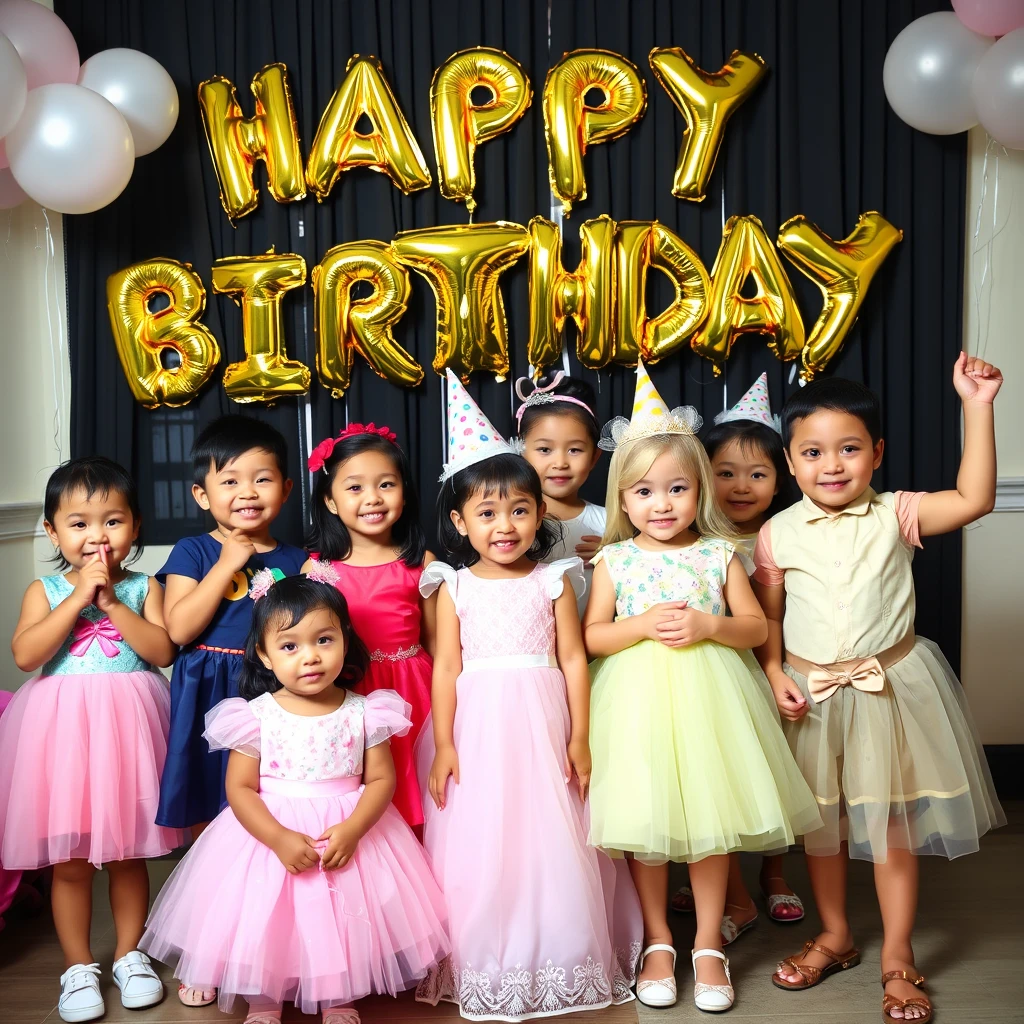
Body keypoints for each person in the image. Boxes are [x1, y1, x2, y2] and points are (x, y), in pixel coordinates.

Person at [759, 354, 1006, 1024]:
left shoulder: (897, 514)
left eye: (849, 449)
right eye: (812, 452)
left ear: (877, 453)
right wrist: (776, 670)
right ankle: (835, 934)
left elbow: (977, 499)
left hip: (888, 692)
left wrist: (977, 406)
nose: (831, 465)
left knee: (890, 827)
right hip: (811, 697)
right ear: (789, 460)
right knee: (824, 829)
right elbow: (771, 621)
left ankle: (898, 954)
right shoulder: (774, 534)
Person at [584, 362, 820, 1013]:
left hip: (711, 702)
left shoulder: (718, 554)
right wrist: (637, 624)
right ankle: (660, 939)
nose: (661, 505)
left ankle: (709, 941)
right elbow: (591, 638)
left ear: (701, 491)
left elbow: (751, 628)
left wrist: (708, 623)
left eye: (677, 489)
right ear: (623, 499)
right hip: (632, 707)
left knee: (711, 829)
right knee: (646, 823)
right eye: (643, 492)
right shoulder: (615, 560)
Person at [415, 372, 642, 1021]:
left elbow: (574, 656)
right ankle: (487, 956)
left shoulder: (555, 577)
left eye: (519, 509)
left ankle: (562, 951)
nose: (505, 525)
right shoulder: (452, 586)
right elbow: (446, 666)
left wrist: (577, 734)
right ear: (461, 521)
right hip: (479, 724)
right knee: (482, 837)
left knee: (555, 836)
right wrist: (446, 743)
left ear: (541, 513)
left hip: (543, 719)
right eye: (486, 513)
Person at [141, 573, 450, 1024]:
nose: (310, 657)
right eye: (290, 646)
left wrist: (354, 827)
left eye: (324, 639)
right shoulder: (255, 716)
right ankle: (265, 999)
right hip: (271, 832)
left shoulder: (366, 711)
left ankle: (338, 994)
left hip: (345, 827)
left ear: (345, 640)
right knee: (270, 917)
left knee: (342, 914)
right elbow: (240, 788)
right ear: (264, 655)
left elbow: (382, 780)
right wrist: (279, 838)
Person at [0, 457, 180, 1022]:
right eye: (78, 523)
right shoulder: (44, 589)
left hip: (129, 733)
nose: (96, 536)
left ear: (135, 526)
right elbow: (28, 655)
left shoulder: (146, 586)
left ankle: (129, 956)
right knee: (72, 861)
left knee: (128, 856)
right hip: (64, 740)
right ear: (52, 531)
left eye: (112, 521)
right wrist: (78, 597)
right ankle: (77, 968)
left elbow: (161, 651)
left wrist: (109, 603)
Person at [155, 415, 305, 1008]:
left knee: (261, 824)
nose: (247, 492)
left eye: (262, 478)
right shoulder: (193, 549)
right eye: (230, 480)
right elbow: (178, 629)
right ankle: (205, 951)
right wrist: (226, 563)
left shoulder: (299, 557)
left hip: (270, 696)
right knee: (209, 831)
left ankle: (263, 948)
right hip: (209, 692)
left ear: (285, 489)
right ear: (202, 493)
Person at [671, 374, 805, 939]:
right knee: (712, 780)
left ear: (781, 480)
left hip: (773, 665)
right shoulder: (696, 538)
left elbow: (772, 619)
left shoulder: (785, 535)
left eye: (757, 473)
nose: (740, 485)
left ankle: (774, 875)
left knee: (771, 778)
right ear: (703, 480)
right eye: (724, 473)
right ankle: (726, 887)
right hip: (711, 675)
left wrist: (777, 671)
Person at [303, 421, 435, 831]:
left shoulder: (421, 563)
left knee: (421, 790)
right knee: (361, 791)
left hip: (415, 690)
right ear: (329, 500)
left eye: (386, 485)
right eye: (355, 487)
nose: (373, 499)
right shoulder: (319, 569)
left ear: (404, 492)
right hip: (350, 690)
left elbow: (438, 644)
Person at [516, 372, 605, 614]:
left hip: (594, 645)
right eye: (545, 449)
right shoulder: (512, 522)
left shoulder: (609, 523)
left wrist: (616, 554)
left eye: (575, 450)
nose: (560, 463)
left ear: (595, 457)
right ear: (522, 452)